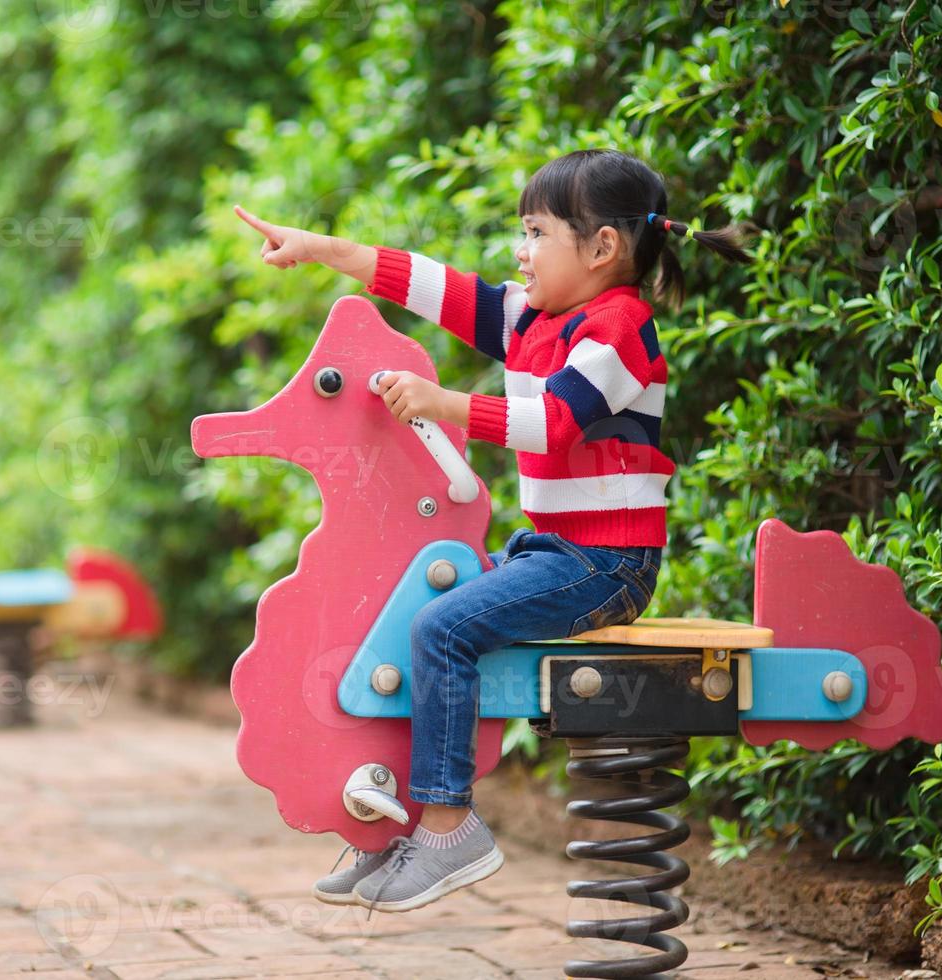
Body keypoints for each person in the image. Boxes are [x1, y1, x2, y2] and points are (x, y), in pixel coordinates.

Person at [234, 148, 752, 914]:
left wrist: (441, 403)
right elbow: (425, 281)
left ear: (603, 247)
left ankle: (449, 829)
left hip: (607, 564)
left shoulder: (619, 329)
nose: (522, 250)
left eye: (538, 232)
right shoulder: (534, 320)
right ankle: (395, 830)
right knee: (415, 615)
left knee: (444, 629)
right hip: (557, 553)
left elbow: (552, 425)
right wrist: (320, 250)